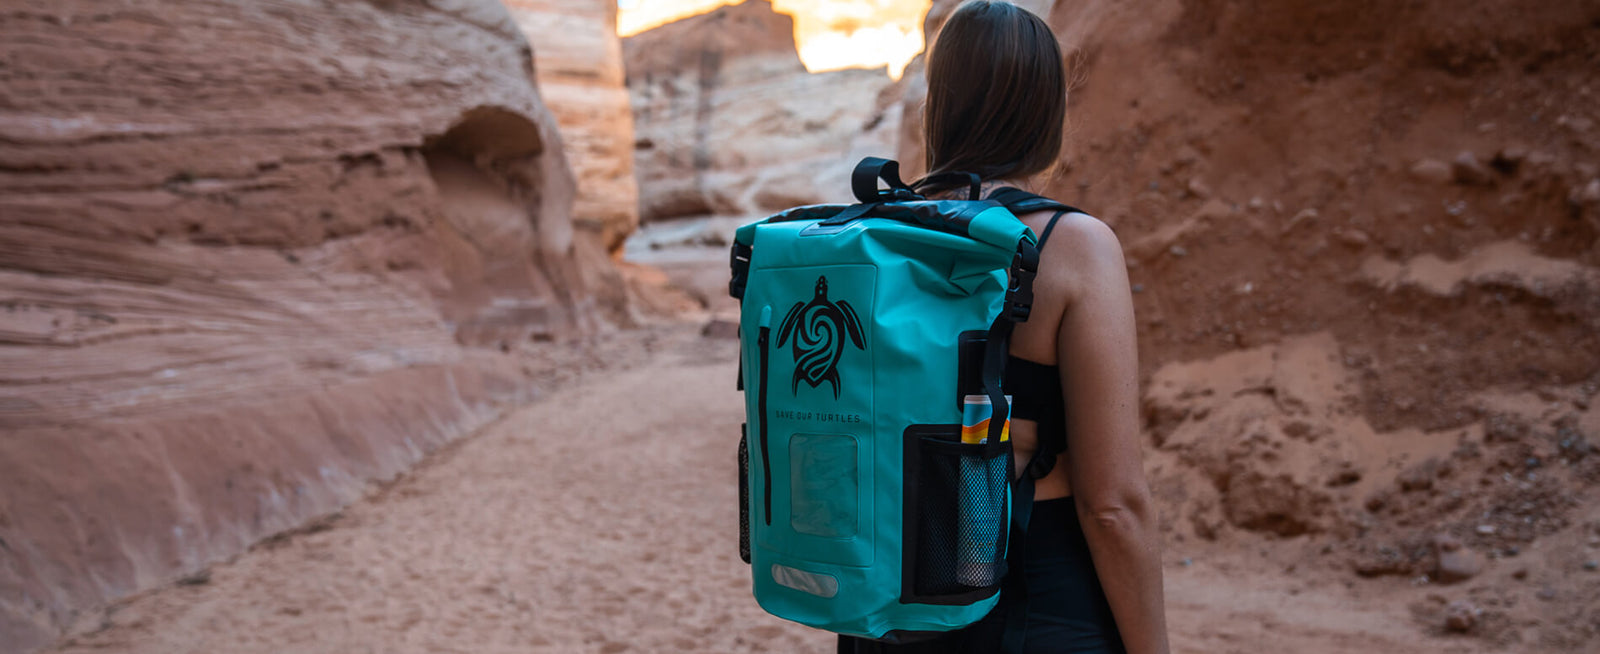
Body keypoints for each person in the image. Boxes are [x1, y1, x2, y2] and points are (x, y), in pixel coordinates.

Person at [838, 2, 1170, 653]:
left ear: (941, 107)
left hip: (884, 606)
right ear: (1049, 114)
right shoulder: (1071, 245)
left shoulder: (870, 238)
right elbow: (1113, 506)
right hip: (1032, 600)